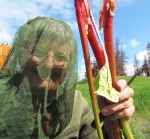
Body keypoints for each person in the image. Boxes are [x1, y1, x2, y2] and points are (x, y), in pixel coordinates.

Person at [0, 16, 134, 139]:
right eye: (39, 52)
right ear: (22, 55)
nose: (48, 63)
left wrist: (112, 125)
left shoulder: (77, 104)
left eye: (60, 57)